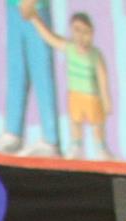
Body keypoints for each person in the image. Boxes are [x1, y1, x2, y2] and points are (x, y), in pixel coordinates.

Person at [32, 11, 112, 159]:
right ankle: (76, 146)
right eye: (77, 30)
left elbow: (102, 78)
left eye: (85, 32)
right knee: (75, 122)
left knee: (97, 124)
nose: (81, 36)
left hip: (92, 97)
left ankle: (101, 148)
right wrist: (35, 18)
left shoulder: (95, 55)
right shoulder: (69, 48)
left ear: (92, 32)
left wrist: (106, 100)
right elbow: (50, 38)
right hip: (75, 96)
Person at [0, 0, 61, 158]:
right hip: (14, 7)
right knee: (16, 69)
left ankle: (50, 139)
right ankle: (13, 133)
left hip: (35, 9)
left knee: (42, 71)